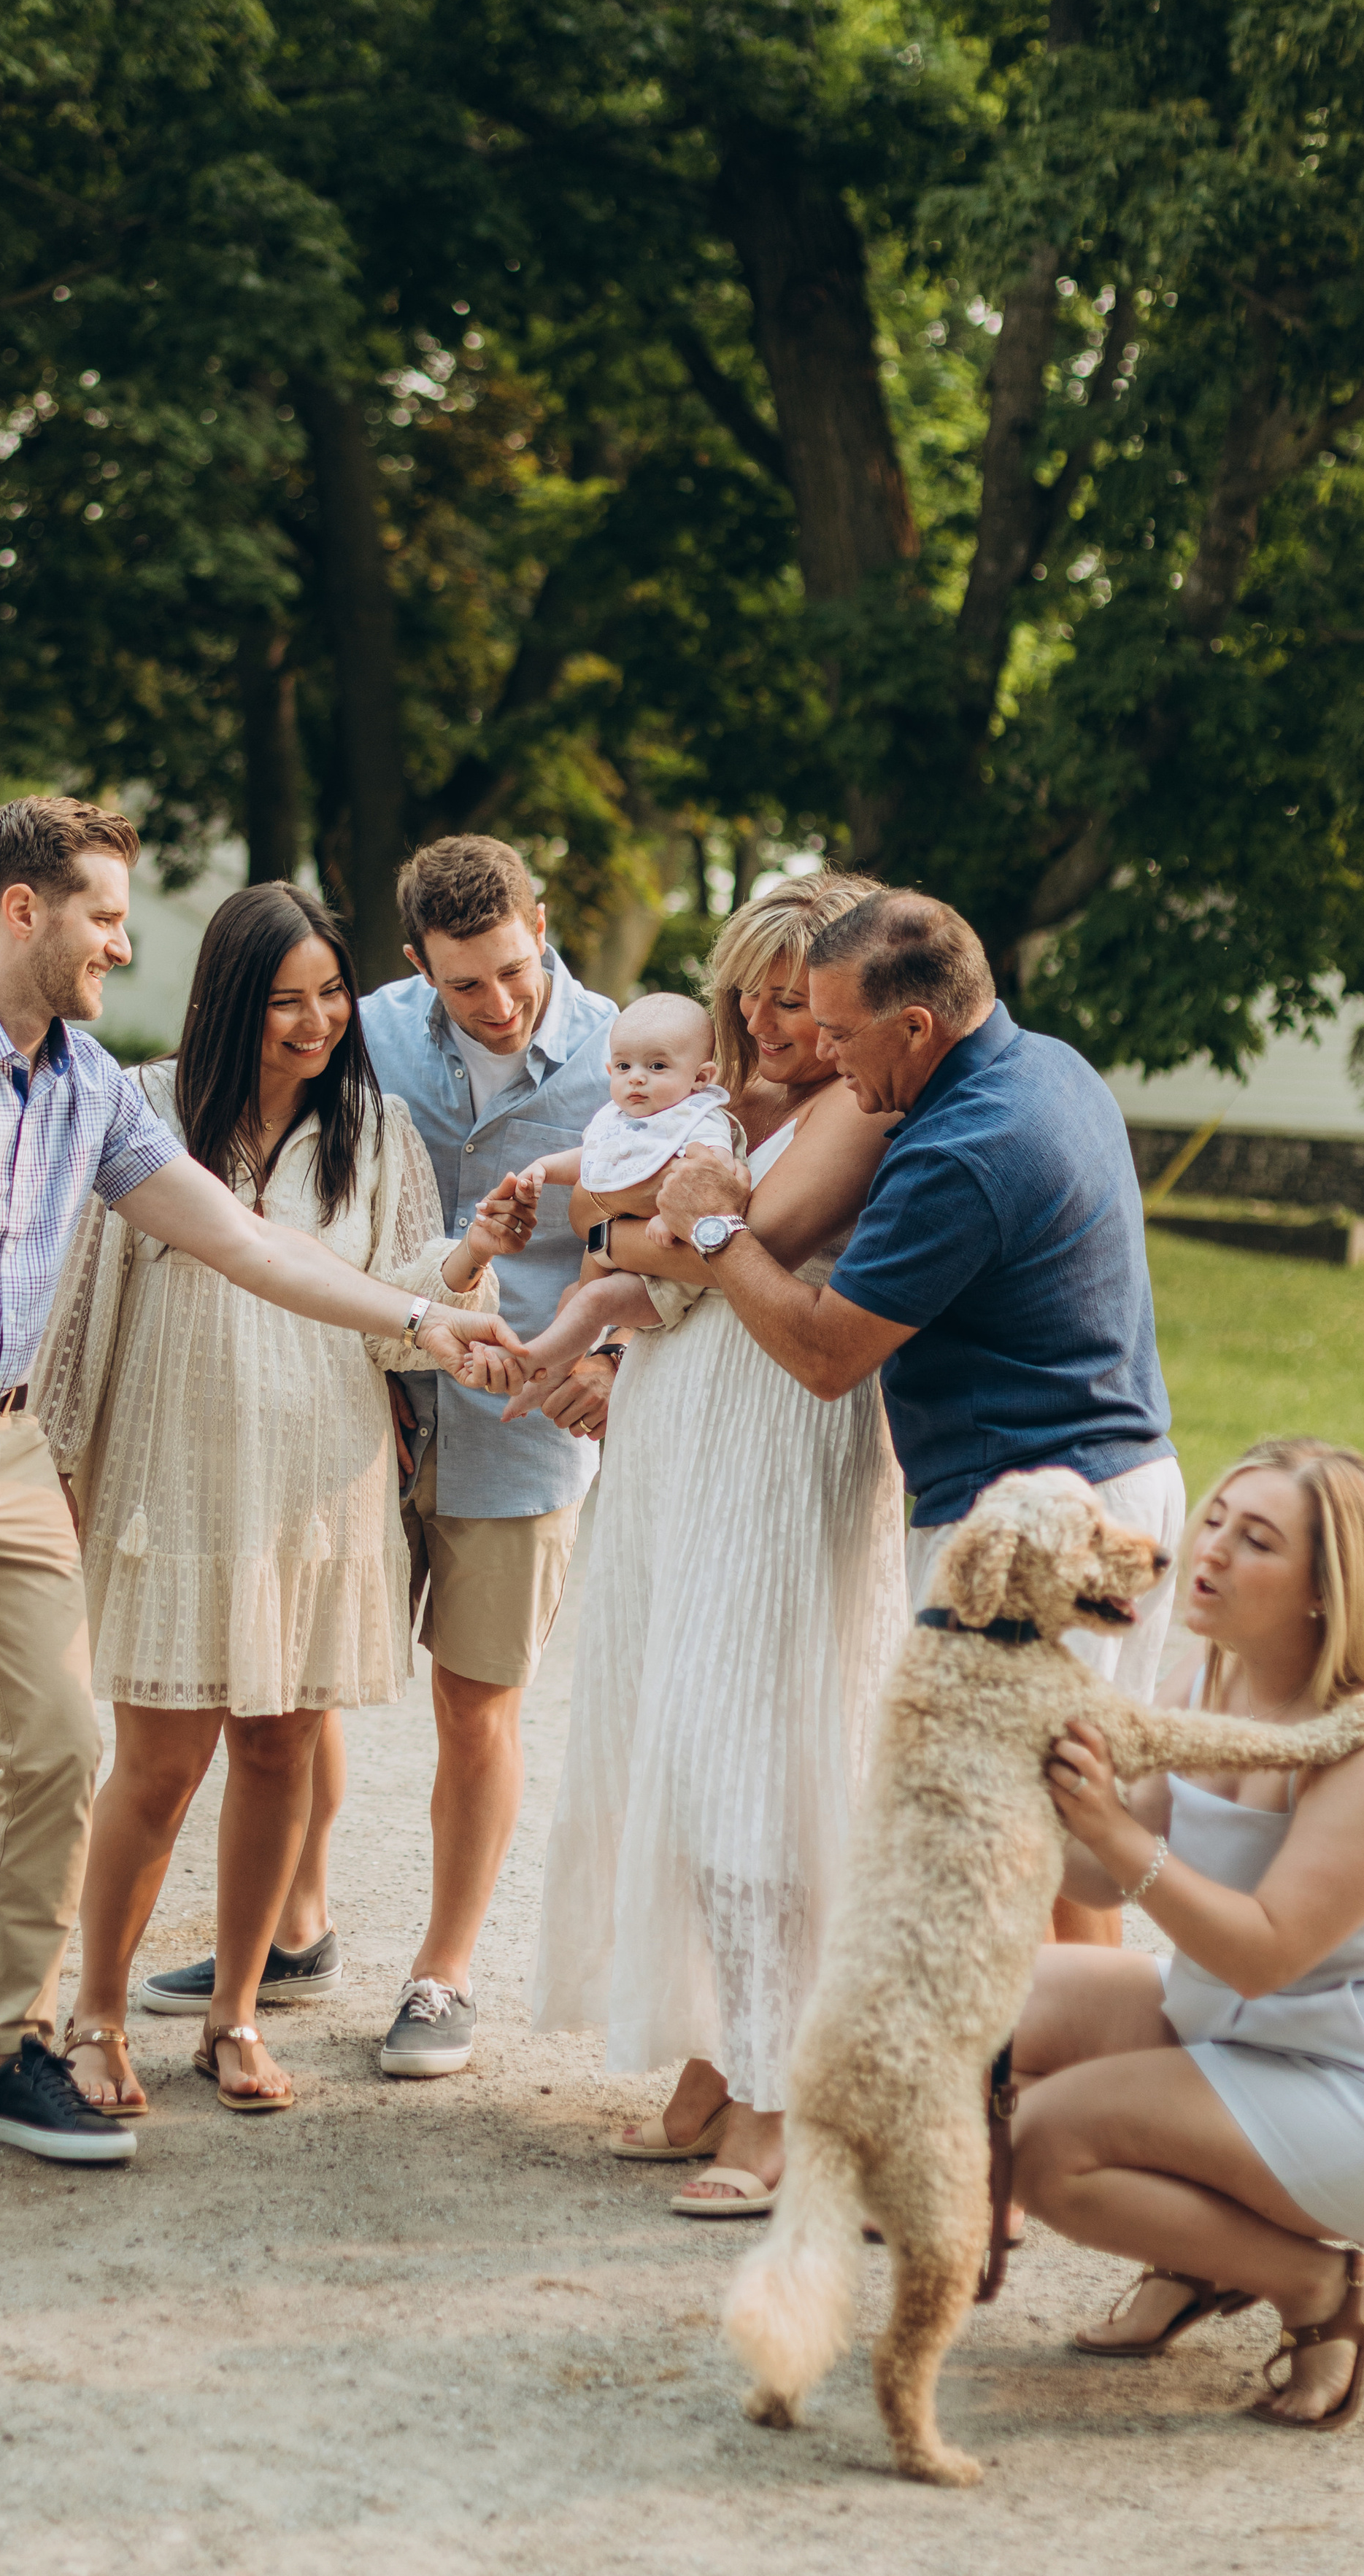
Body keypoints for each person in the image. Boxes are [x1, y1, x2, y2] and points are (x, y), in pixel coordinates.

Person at [0, 800, 517, 2183]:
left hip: (1, 1446)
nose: (124, 943)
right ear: (24, 912)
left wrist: (423, 1325)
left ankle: (14, 2054)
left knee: (63, 1751)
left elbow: (242, 1242)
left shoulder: (82, 1088)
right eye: (106, 917)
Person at [31, 884, 527, 2113]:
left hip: (321, 1476)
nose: (314, 1023)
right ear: (228, 1006)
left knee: (279, 1752)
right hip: (172, 1471)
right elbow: (82, 1306)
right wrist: (57, 1467)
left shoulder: (377, 1125)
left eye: (329, 995)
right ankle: (96, 2011)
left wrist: (464, 1266)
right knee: (157, 1766)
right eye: (283, 1001)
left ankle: (235, 2014)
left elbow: (400, 1329)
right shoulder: (143, 1109)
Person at [652, 887, 1184, 1946]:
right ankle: (1049, 2103)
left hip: (1025, 1519)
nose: (829, 1058)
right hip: (1123, 1477)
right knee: (1069, 1828)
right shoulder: (1054, 1069)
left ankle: (1024, 2103)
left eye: (841, 1033)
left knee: (1004, 1843)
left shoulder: (960, 1151)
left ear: (916, 1027)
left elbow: (823, 1351)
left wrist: (714, 1232)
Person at [525, 872, 911, 2213]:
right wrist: (633, 1234)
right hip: (680, 1432)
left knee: (752, 1747)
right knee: (673, 1740)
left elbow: (743, 1239)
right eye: (750, 985)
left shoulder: (851, 1112)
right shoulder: (714, 1102)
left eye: (794, 993)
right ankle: (708, 2041)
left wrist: (637, 1225)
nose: (765, 1013)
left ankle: (779, 2096)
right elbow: (613, 1227)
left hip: (779, 1436)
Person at [1011, 1439, 1364, 2431]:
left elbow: (1266, 1951)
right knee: (984, 2000)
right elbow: (1094, 1866)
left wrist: (1109, 1827)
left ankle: (1321, 2290)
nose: (1208, 1551)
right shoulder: (1208, 1678)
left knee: (1047, 2144)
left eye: (1255, 1540)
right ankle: (1201, 2250)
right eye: (1214, 1520)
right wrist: (1029, 1786)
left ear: (1325, 1588)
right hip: (1231, 2028)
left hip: (1363, 2093)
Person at [344, 835, 616, 2078]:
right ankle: (294, 1930)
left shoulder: (629, 1054)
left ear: (543, 923)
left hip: (522, 1435)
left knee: (476, 1703)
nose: (499, 1005)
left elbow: (666, 1235)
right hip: (370, 1405)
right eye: (466, 985)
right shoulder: (363, 1035)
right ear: (416, 968)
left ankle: (443, 1977)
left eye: (516, 968)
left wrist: (606, 1360)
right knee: (307, 1682)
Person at [504, 990, 748, 1371]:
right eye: (623, 1067)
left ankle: (527, 1363)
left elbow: (714, 1175)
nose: (636, 1078)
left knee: (591, 1300)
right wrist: (545, 1169)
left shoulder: (699, 1119)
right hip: (620, 1253)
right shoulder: (620, 1120)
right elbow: (592, 1160)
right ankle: (550, 1374)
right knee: (575, 1296)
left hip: (666, 1276)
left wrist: (673, 1215)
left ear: (700, 1077)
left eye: (656, 1067)